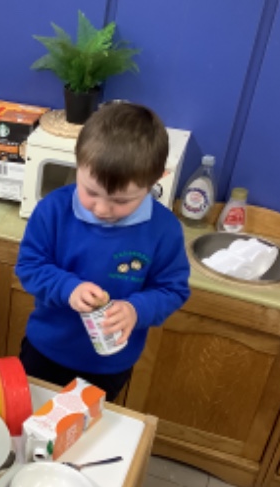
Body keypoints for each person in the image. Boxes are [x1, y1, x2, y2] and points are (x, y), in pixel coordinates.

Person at [15, 102, 190, 401]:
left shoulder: (164, 230)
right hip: (45, 350)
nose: (102, 209)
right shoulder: (53, 210)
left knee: (86, 428)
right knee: (27, 418)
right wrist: (69, 288)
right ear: (78, 163)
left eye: (121, 201)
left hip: (109, 366)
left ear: (156, 178)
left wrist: (136, 310)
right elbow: (30, 266)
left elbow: (172, 290)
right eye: (91, 192)